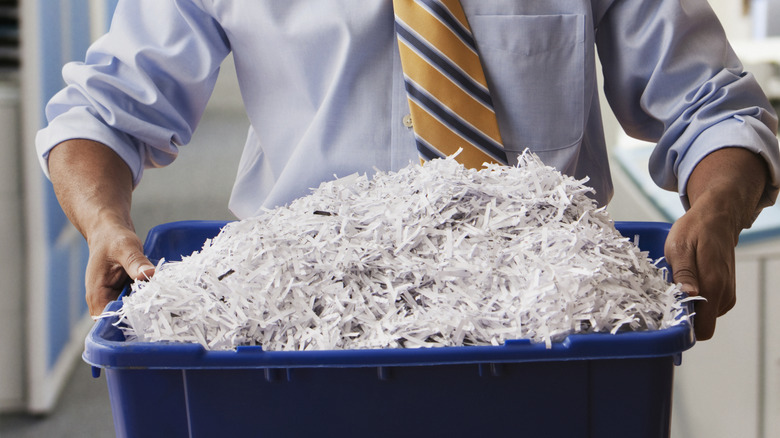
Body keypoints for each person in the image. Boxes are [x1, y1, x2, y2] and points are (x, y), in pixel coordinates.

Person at [36, 0, 780, 341]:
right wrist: (104, 223)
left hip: (548, 324)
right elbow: (102, 111)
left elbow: (715, 109)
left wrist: (716, 207)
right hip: (299, 324)